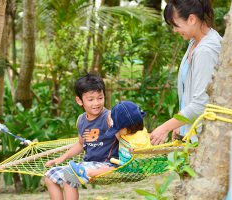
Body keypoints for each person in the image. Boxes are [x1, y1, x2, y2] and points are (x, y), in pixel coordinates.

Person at [150, 0, 222, 145]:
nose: (174, 30)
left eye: (176, 25)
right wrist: (180, 124)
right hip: (191, 132)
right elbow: (189, 93)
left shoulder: (206, 51)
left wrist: (165, 128)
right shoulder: (194, 43)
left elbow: (201, 103)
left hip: (204, 138)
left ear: (192, 19)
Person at [44, 73, 118, 200]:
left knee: (70, 176)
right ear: (79, 101)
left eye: (100, 98)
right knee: (50, 176)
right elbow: (80, 144)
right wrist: (61, 158)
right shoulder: (81, 120)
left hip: (107, 164)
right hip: (88, 164)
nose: (96, 103)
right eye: (91, 99)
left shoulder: (109, 117)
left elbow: (125, 135)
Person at [68, 101, 151, 184]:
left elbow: (140, 152)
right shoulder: (134, 133)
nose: (116, 131)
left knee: (109, 169)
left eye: (117, 128)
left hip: (135, 169)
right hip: (126, 165)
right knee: (107, 166)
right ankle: (85, 173)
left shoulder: (138, 140)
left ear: (126, 128)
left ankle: (86, 173)